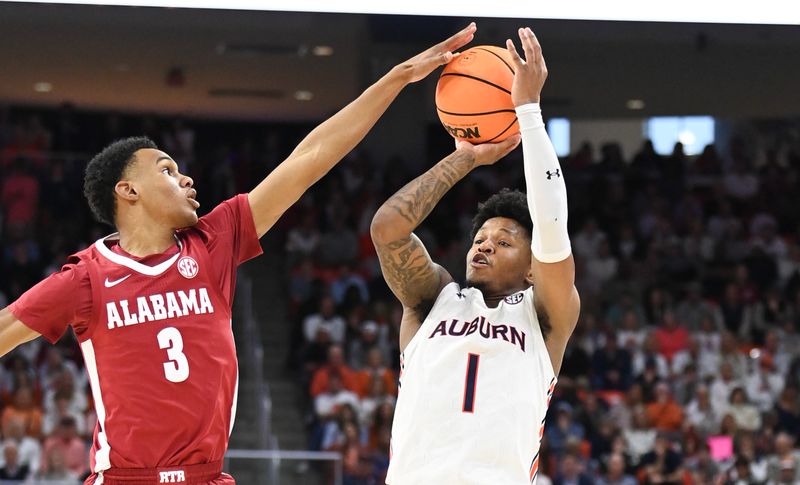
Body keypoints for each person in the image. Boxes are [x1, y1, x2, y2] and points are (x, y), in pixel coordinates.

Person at [0, 22, 479, 485]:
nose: (186, 178)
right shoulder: (85, 279)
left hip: (209, 477)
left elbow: (310, 158)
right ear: (127, 191)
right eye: (167, 170)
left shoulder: (215, 241)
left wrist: (396, 78)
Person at [372, 27, 580, 484]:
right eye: (481, 238)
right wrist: (464, 157)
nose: (484, 244)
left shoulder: (543, 317)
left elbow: (551, 227)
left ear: (531, 267)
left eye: (503, 241)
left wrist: (528, 112)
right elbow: (387, 229)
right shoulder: (432, 300)